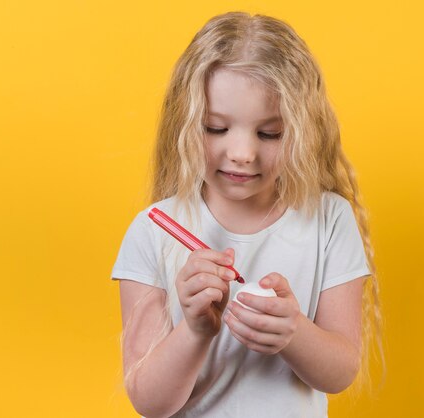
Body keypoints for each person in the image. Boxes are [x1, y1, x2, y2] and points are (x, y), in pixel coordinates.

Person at [111, 11, 384, 418]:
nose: (242, 153)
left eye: (269, 133)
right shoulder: (153, 230)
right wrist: (196, 329)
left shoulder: (328, 219)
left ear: (302, 130)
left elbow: (340, 373)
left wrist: (294, 333)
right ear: (184, 125)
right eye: (216, 128)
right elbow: (150, 402)